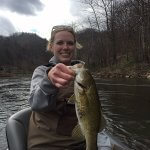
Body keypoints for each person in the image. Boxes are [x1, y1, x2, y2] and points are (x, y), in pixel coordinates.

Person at [27, 25, 86, 150]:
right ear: (51, 46)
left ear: (75, 46)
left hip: (82, 143)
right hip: (49, 145)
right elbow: (35, 104)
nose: (65, 47)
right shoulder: (41, 71)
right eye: (60, 43)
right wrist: (49, 81)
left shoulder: (83, 73)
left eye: (70, 43)